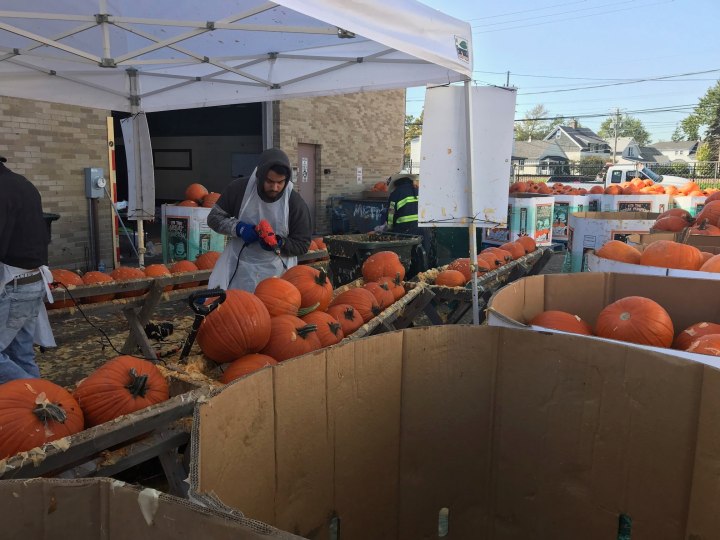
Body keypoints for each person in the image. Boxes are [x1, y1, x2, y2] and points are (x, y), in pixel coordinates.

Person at [206, 148, 311, 292]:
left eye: (280, 182)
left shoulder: (294, 202)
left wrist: (280, 243)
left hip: (278, 273)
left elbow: (303, 243)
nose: (275, 187)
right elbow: (213, 218)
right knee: (235, 309)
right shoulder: (239, 189)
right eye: (269, 181)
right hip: (238, 267)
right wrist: (238, 228)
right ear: (260, 176)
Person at [0, 156, 56, 383]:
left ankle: (44, 401)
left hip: (13, 286)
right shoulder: (23, 184)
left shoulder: (2, 192)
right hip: (33, 281)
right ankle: (38, 413)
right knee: (20, 354)